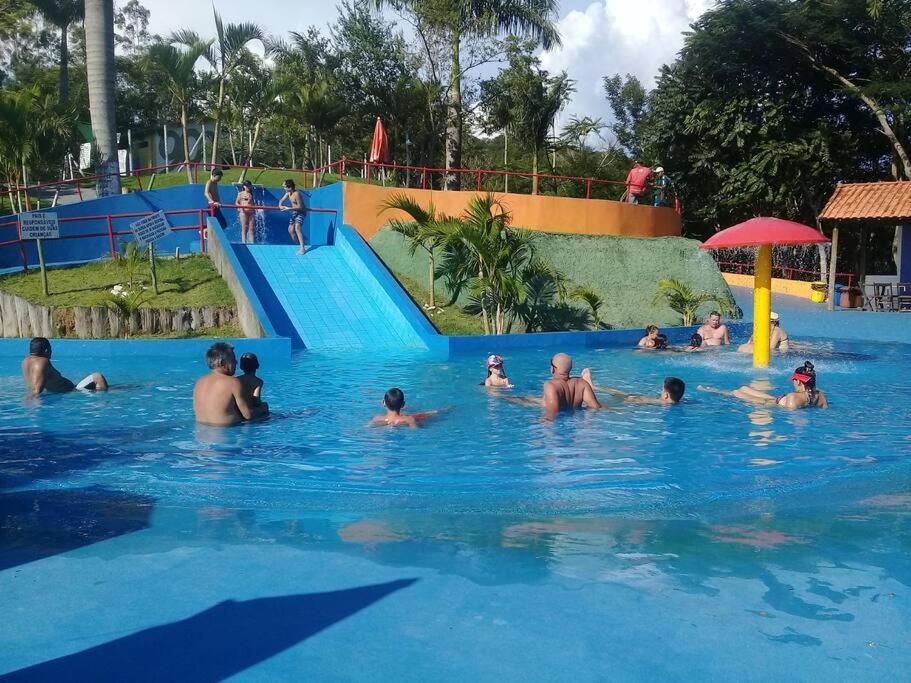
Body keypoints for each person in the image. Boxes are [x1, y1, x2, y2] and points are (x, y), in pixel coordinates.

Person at [193, 342, 269, 426]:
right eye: (233, 360)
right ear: (222, 363)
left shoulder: (199, 381)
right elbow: (248, 415)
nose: (236, 362)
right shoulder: (233, 382)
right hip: (227, 434)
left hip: (202, 433)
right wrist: (264, 408)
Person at [698, 361, 827, 410]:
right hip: (777, 400)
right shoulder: (819, 395)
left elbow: (789, 413)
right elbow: (824, 408)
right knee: (744, 388)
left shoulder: (794, 397)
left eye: (794, 380)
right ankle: (711, 390)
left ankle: (712, 390)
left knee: (737, 392)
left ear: (798, 381)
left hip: (771, 403)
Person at [22, 337, 108, 398]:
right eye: (50, 349)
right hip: (72, 391)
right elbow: (37, 391)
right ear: (46, 350)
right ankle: (103, 402)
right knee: (98, 377)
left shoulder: (25, 362)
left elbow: (34, 388)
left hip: (61, 392)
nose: (51, 352)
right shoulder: (43, 362)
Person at [369, 388, 438, 428]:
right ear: (403, 404)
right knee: (434, 412)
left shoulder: (377, 418)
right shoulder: (409, 419)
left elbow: (366, 428)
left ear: (383, 403)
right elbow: (415, 432)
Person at [597, 377, 686, 405]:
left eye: (662, 389)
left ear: (666, 395)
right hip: (638, 399)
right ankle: (594, 387)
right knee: (623, 394)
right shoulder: (680, 401)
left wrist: (630, 400)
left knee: (622, 395)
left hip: (633, 400)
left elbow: (638, 400)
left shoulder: (661, 402)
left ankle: (594, 387)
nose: (660, 391)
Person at [278, 179, 306, 255]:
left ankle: (302, 248)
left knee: (297, 227)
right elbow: (281, 200)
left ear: (289, 187)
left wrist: (289, 208)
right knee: (290, 230)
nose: (283, 188)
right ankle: (299, 245)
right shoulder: (288, 193)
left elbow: (300, 207)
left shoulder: (296, 194)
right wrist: (280, 205)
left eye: (284, 187)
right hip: (294, 212)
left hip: (301, 212)